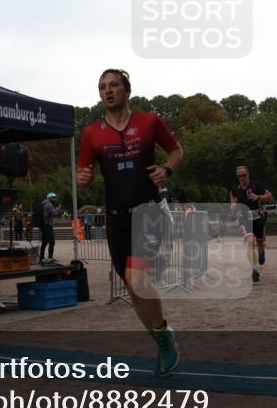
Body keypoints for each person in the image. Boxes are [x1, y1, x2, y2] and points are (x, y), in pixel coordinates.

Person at [77, 68, 183, 377]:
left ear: (126, 90)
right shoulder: (91, 133)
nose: (107, 91)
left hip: (148, 211)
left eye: (113, 85)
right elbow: (83, 172)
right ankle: (164, 342)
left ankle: (164, 340)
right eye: (101, 87)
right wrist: (82, 177)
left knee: (137, 279)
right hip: (115, 220)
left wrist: (167, 170)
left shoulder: (149, 121)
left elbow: (176, 150)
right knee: (133, 289)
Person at [229, 165, 274, 281]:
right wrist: (233, 204)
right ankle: (254, 270)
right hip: (243, 218)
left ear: (248, 175)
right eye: (239, 176)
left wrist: (258, 197)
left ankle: (262, 251)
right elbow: (232, 195)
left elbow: (269, 197)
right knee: (250, 241)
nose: (241, 178)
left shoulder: (256, 185)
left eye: (243, 175)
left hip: (257, 217)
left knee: (259, 242)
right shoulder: (236, 187)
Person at [39, 192, 61, 263]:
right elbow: (54, 213)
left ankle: (41, 258)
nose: (55, 199)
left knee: (44, 242)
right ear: (50, 198)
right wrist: (58, 208)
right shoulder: (49, 204)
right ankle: (50, 258)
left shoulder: (43, 203)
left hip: (43, 225)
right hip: (48, 226)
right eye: (54, 198)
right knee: (52, 242)